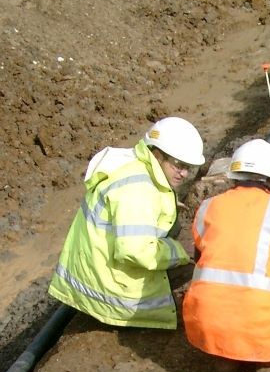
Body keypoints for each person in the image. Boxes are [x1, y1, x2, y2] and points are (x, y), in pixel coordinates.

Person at [48, 116, 205, 329]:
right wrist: (179, 252)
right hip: (111, 295)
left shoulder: (135, 166)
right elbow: (135, 251)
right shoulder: (138, 192)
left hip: (97, 272)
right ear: (157, 154)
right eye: (178, 164)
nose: (184, 173)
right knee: (197, 280)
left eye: (189, 167)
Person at [181, 139, 270, 372]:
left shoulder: (207, 206)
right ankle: (266, 358)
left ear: (233, 176)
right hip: (259, 326)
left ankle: (225, 354)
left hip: (210, 322)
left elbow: (203, 261)